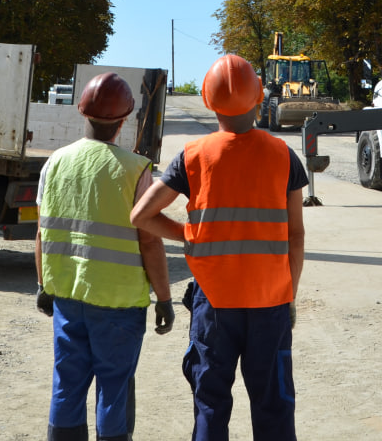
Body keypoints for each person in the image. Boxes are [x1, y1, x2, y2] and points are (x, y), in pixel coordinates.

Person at [130, 54, 307, 441]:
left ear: (209, 103)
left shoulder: (193, 156)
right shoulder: (283, 155)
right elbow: (296, 235)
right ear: (259, 99)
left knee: (211, 404)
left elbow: (142, 215)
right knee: (274, 405)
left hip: (214, 304)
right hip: (270, 302)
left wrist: (190, 235)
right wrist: (288, 295)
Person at [35, 72, 175, 441]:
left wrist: (43, 285)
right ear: (124, 119)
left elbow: (42, 232)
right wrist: (164, 298)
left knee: (67, 381)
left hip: (67, 295)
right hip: (118, 303)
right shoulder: (135, 169)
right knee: (114, 387)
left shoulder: (55, 163)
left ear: (82, 112)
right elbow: (149, 242)